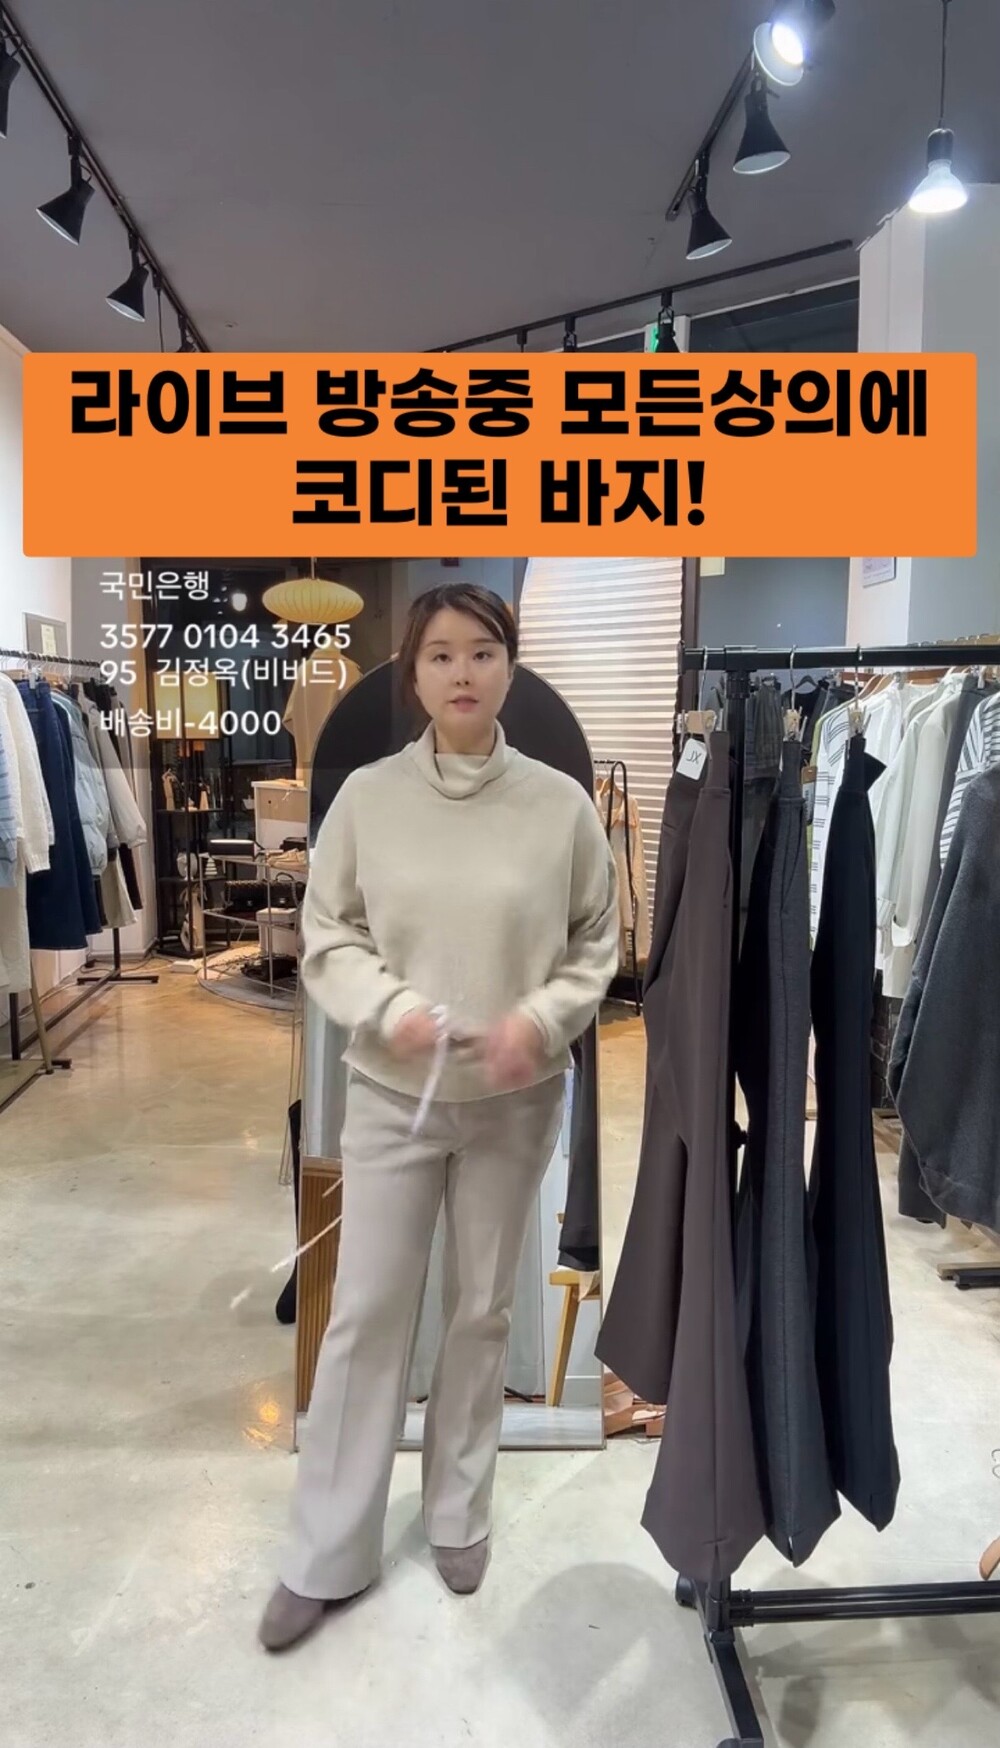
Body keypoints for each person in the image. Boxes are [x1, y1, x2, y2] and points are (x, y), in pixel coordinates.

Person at [260, 582, 619, 1650]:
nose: (463, 672)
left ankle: (461, 1509)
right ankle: (327, 1548)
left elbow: (595, 942)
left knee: (480, 1311)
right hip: (391, 1098)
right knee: (367, 1313)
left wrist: (538, 1023)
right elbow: (330, 932)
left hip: (514, 1101)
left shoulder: (561, 804)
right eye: (441, 654)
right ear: (412, 674)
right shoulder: (368, 798)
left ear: (510, 665)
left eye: (483, 651)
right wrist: (391, 1009)